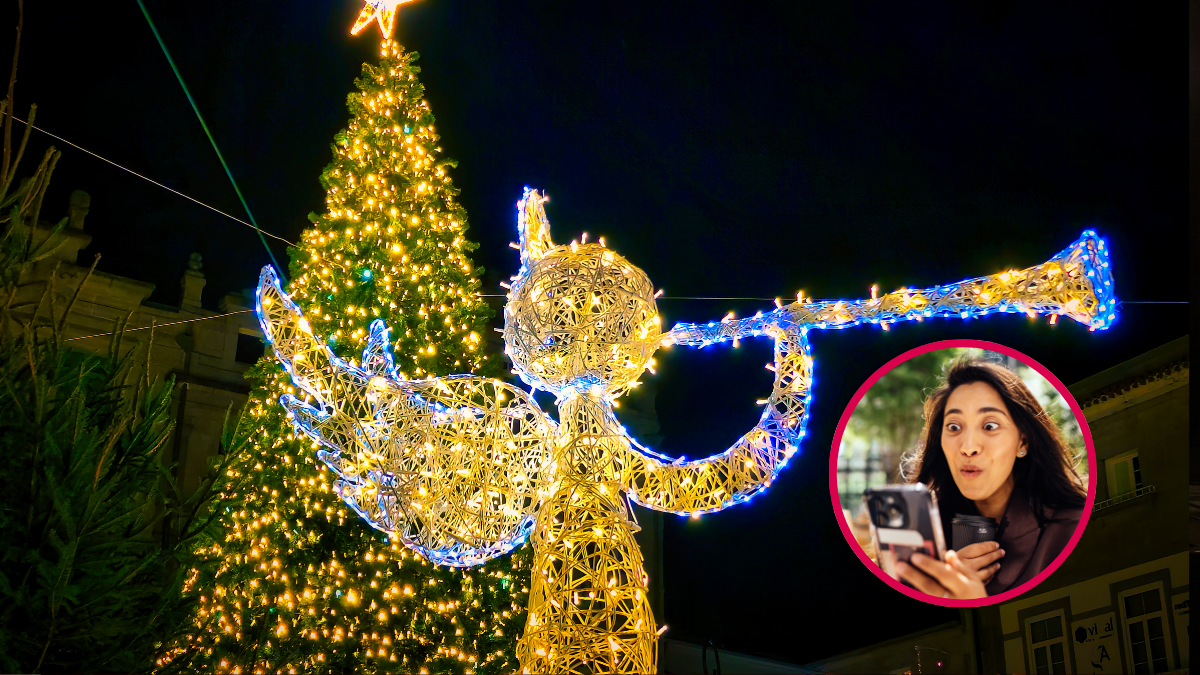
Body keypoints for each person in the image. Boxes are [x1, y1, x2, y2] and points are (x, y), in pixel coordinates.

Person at [895, 359, 1086, 599]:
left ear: (1023, 442)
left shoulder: (1072, 531)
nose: (968, 447)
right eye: (954, 427)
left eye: (990, 425)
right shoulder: (916, 542)